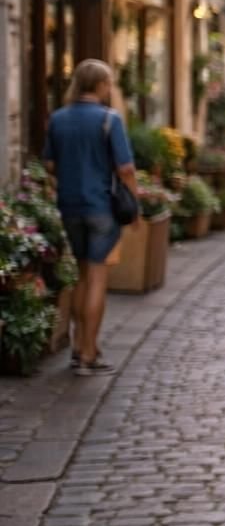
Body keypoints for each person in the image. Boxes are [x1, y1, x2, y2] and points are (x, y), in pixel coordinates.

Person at [42, 59, 139, 376]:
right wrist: (135, 206)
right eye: (108, 83)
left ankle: (79, 348)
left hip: (69, 206)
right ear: (101, 85)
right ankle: (87, 353)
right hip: (100, 207)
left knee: (81, 275)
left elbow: (49, 165)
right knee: (96, 277)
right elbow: (125, 168)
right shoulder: (109, 119)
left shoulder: (58, 119)